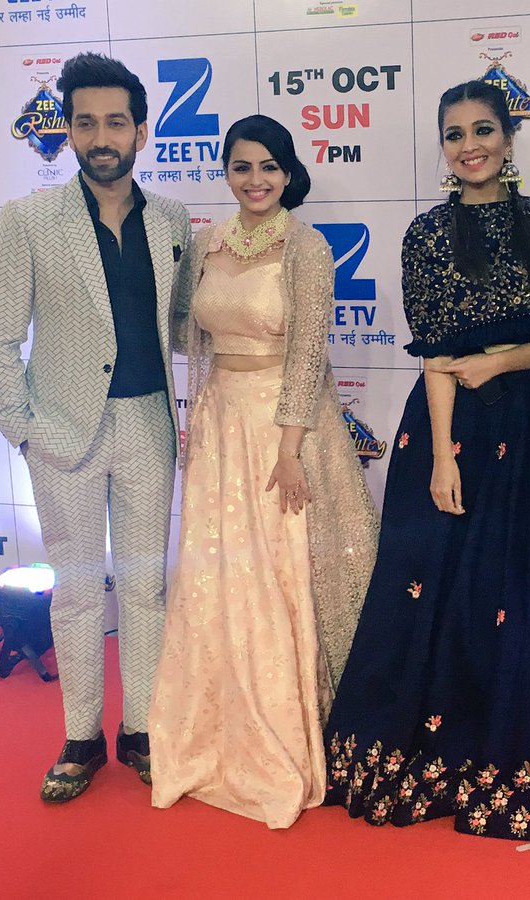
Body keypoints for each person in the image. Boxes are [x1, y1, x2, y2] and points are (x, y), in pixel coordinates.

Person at [323, 80, 530, 847]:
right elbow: (435, 353)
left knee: (528, 593)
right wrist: (441, 458)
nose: (470, 146)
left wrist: (499, 363)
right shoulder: (428, 234)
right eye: (455, 134)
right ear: (443, 146)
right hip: (445, 427)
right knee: (434, 592)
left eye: (483, 130)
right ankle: (435, 759)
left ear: (508, 136)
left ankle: (517, 759)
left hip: (527, 427)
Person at [148, 115, 378, 829]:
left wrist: (289, 447)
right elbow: (187, 330)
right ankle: (217, 730)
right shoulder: (206, 243)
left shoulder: (306, 245)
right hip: (221, 424)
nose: (256, 180)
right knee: (220, 577)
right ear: (226, 171)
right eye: (242, 166)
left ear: (288, 173)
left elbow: (309, 348)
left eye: (269, 167)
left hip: (286, 427)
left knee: (285, 569)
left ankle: (299, 731)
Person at [0, 53, 191, 802]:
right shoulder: (29, 220)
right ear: (67, 130)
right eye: (86, 122)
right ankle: (80, 738)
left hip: (149, 426)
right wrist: (23, 428)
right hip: (63, 433)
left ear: (141, 131)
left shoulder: (171, 220)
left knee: (143, 590)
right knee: (74, 594)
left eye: (116, 122)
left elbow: (184, 324)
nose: (102, 137)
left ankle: (140, 730)